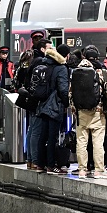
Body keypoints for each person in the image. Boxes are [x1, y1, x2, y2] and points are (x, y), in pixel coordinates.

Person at [72, 47, 107, 179]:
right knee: (98, 142)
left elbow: (70, 94)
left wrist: (74, 110)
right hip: (98, 112)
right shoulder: (101, 72)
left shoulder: (75, 72)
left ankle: (82, 170)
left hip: (81, 113)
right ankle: (99, 170)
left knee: (81, 142)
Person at [32, 46, 69, 174]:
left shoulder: (43, 66)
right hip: (54, 105)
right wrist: (66, 103)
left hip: (42, 104)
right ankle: (51, 165)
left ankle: (39, 164)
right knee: (52, 137)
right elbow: (63, 89)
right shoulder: (61, 68)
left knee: (43, 136)